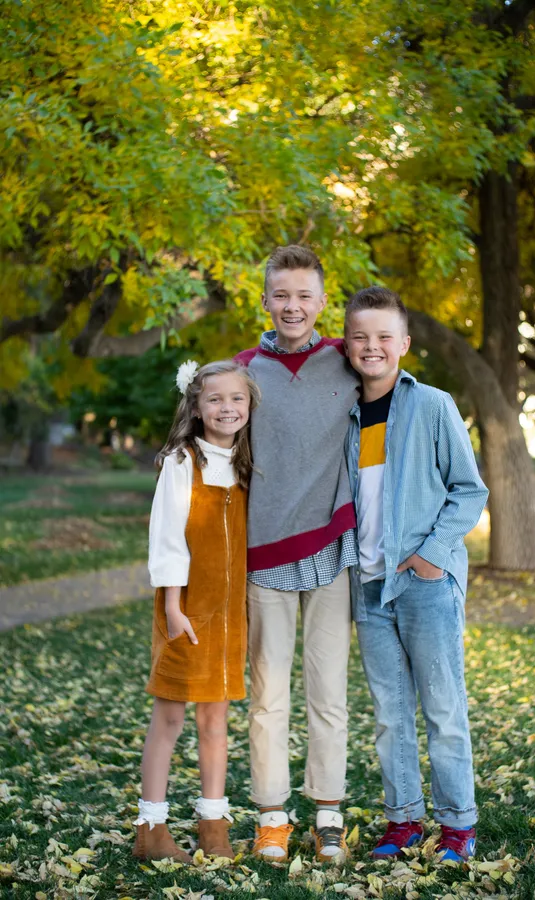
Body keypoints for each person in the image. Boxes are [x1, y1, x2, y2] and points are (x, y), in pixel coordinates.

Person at [344, 286, 489, 862]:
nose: (372, 346)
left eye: (384, 336)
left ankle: (458, 826)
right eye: (361, 336)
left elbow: (468, 489)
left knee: (442, 707)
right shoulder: (345, 412)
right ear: (347, 344)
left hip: (425, 583)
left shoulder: (433, 405)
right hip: (369, 585)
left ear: (403, 343)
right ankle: (402, 821)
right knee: (389, 713)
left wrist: (432, 553)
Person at [235, 245, 360, 863]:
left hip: (332, 550)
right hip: (265, 556)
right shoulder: (241, 372)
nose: (292, 306)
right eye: (281, 294)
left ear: (321, 301)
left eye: (304, 295)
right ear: (264, 300)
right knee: (267, 695)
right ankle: (273, 815)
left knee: (328, 690)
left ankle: (329, 813)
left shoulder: (347, 360)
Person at [133, 359, 260, 863]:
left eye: (236, 399)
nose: (226, 408)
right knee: (168, 718)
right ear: (196, 405)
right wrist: (172, 606)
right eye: (215, 399)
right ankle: (152, 828)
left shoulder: (248, 463)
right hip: (186, 610)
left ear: (249, 405)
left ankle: (213, 824)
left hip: (231, 616)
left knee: (216, 721)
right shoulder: (182, 461)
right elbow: (166, 538)